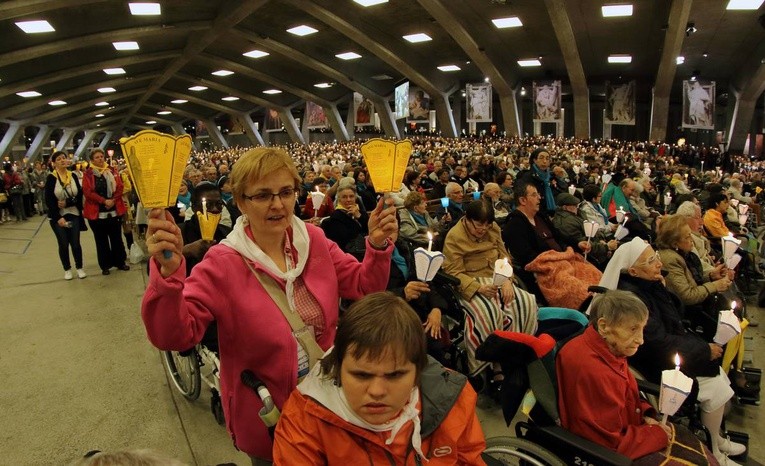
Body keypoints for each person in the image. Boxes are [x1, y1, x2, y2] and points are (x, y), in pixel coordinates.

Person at [141, 147, 398, 464]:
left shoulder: (312, 241)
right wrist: (168, 279)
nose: (277, 204)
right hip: (271, 416)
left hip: (331, 401)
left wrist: (377, 245)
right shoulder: (223, 263)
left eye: (285, 192)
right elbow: (176, 337)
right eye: (262, 195)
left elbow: (364, 286)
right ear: (241, 202)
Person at [272, 292, 487, 464]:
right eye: (361, 375)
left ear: (418, 372)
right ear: (338, 368)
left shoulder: (453, 400)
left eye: (395, 375)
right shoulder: (303, 422)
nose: (376, 391)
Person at [600, 237, 746, 465]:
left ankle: (716, 438)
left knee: (718, 375)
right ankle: (715, 450)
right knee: (715, 383)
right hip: (653, 361)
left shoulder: (648, 285)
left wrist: (661, 287)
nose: (659, 264)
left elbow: (674, 316)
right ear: (634, 271)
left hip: (668, 347)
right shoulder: (631, 299)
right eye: (651, 261)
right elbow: (658, 342)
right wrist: (703, 350)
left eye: (655, 257)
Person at [558, 290, 670, 459]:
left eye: (642, 329)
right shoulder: (593, 369)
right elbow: (607, 444)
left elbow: (627, 395)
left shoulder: (608, 348)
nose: (641, 339)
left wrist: (645, 415)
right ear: (603, 326)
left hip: (629, 428)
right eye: (633, 329)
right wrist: (656, 435)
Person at [443, 200, 538, 380]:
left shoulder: (492, 228)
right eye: (479, 225)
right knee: (489, 312)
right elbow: (454, 272)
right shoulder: (454, 236)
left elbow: (504, 255)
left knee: (525, 302)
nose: (483, 229)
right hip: (471, 281)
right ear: (467, 220)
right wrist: (478, 288)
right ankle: (494, 361)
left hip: (497, 276)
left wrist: (508, 280)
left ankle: (517, 350)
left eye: (487, 225)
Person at [656, 214, 731, 309]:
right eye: (687, 237)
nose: (691, 240)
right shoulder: (670, 260)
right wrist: (715, 286)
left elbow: (692, 280)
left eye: (690, 235)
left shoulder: (683, 253)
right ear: (675, 243)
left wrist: (711, 276)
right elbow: (687, 296)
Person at [82, 148, 129, 275]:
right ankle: (105, 265)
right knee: (101, 241)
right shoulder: (88, 174)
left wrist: (113, 200)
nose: (100, 159)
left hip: (114, 211)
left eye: (101, 156)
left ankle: (120, 262)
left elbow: (119, 187)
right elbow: (88, 192)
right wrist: (104, 201)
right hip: (97, 214)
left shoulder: (112, 171)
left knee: (117, 238)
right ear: (92, 160)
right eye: (97, 157)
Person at [44, 151, 86, 280]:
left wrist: (68, 202)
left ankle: (79, 267)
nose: (62, 161)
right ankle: (67, 269)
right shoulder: (51, 178)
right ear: (54, 163)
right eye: (59, 159)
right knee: (63, 243)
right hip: (58, 217)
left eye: (64, 158)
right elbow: (49, 200)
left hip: (73, 213)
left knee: (75, 243)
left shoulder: (72, 175)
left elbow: (79, 195)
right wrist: (58, 217)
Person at [320, 183, 368, 256]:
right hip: (348, 254)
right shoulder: (336, 217)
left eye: (351, 196)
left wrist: (359, 216)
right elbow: (345, 239)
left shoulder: (361, 212)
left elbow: (370, 229)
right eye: (344, 197)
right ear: (339, 199)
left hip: (364, 250)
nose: (348, 200)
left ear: (355, 197)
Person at [516, 148, 560, 217]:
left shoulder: (551, 176)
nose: (545, 161)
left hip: (552, 213)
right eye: (541, 158)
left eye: (547, 158)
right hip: (535, 214)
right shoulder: (527, 177)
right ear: (535, 160)